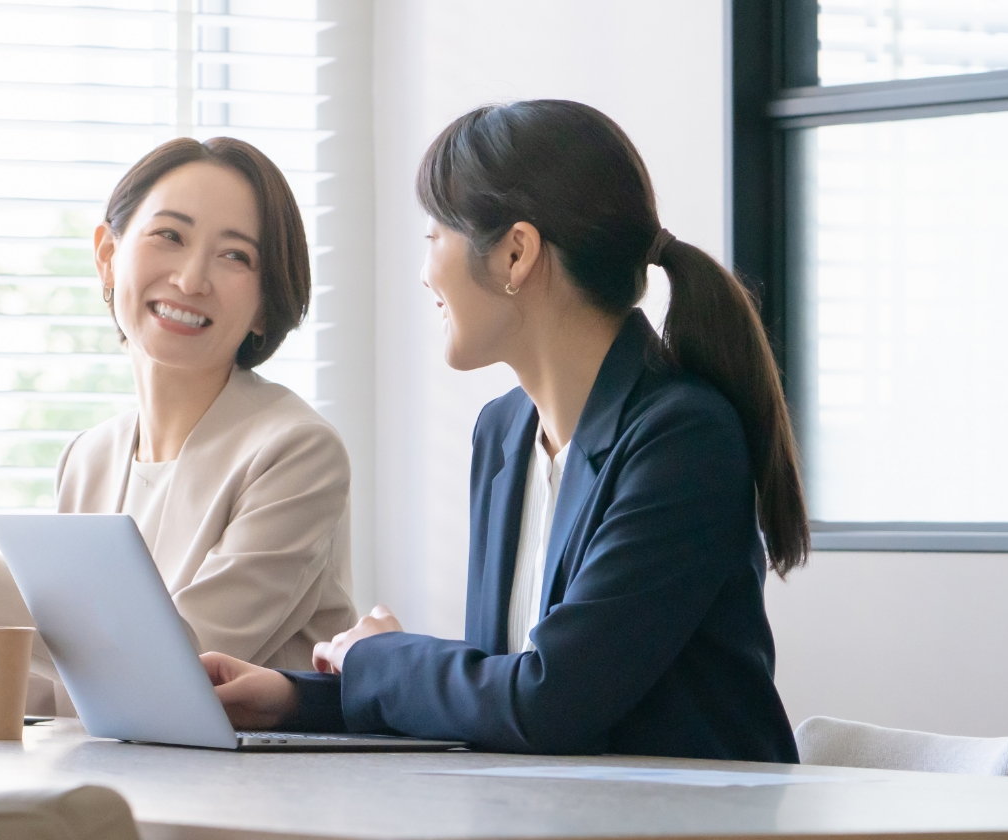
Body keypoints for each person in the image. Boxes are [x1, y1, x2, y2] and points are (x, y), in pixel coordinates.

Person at [199, 100, 803, 762]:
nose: (425, 272)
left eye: (435, 237)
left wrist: (381, 658)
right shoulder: (504, 432)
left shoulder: (684, 439)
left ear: (516, 254)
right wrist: (297, 700)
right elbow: (498, 688)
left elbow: (551, 701)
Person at [0, 137, 357, 715]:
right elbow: (68, 693)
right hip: (123, 767)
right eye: (170, 236)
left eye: (236, 255)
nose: (192, 279)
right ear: (107, 255)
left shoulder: (297, 452)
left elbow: (169, 673)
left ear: (266, 303)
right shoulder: (89, 457)